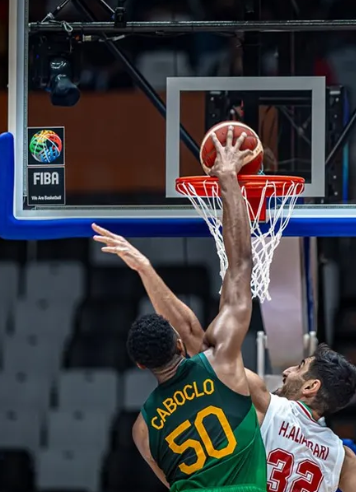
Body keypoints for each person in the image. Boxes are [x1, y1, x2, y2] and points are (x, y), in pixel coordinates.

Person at [93, 230, 356, 491]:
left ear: (311, 387)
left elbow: (192, 335)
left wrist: (144, 269)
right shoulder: (342, 456)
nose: (288, 370)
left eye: (300, 367)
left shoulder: (266, 404)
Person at [101, 126, 267, 492]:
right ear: (178, 345)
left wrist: (145, 269)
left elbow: (170, 482)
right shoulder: (221, 363)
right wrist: (228, 179)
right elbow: (240, 266)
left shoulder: (142, 429)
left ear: (141, 365)